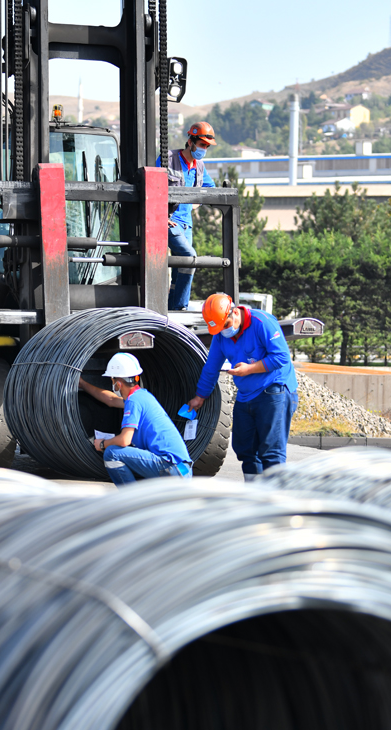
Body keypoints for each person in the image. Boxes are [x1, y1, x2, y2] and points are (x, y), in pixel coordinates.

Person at [186, 293, 298, 481]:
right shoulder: (221, 335)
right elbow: (211, 367)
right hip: (247, 394)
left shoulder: (262, 323)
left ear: (234, 312)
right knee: (246, 450)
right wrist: (200, 396)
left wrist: (250, 369)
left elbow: (281, 357)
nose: (224, 331)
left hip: (274, 389)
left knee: (271, 452)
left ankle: (276, 502)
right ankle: (254, 496)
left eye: (226, 326)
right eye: (220, 329)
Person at [78, 352, 192, 485]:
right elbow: (111, 399)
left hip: (169, 467)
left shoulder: (133, 402)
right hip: (182, 470)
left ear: (118, 384)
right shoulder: (142, 396)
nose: (112, 383)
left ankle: (131, 499)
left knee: (111, 453)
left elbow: (124, 440)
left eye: (112, 380)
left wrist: (103, 444)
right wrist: (83, 384)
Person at [158, 121, 217, 311]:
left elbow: (210, 189)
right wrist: (160, 214)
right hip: (169, 222)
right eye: (201, 144)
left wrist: (196, 202)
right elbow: (154, 186)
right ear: (190, 141)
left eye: (206, 146)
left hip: (186, 225)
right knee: (190, 258)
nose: (203, 149)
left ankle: (171, 309)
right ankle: (180, 306)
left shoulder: (200, 166)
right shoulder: (168, 159)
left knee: (180, 267)